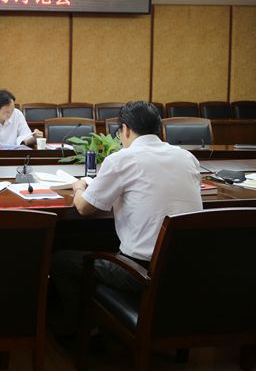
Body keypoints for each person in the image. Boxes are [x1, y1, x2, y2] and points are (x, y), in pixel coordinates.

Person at [48, 101, 203, 336]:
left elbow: (84, 208)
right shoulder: (187, 158)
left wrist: (78, 187)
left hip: (140, 273)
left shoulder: (123, 159)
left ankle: (76, 332)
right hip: (186, 269)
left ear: (126, 129)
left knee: (60, 259)